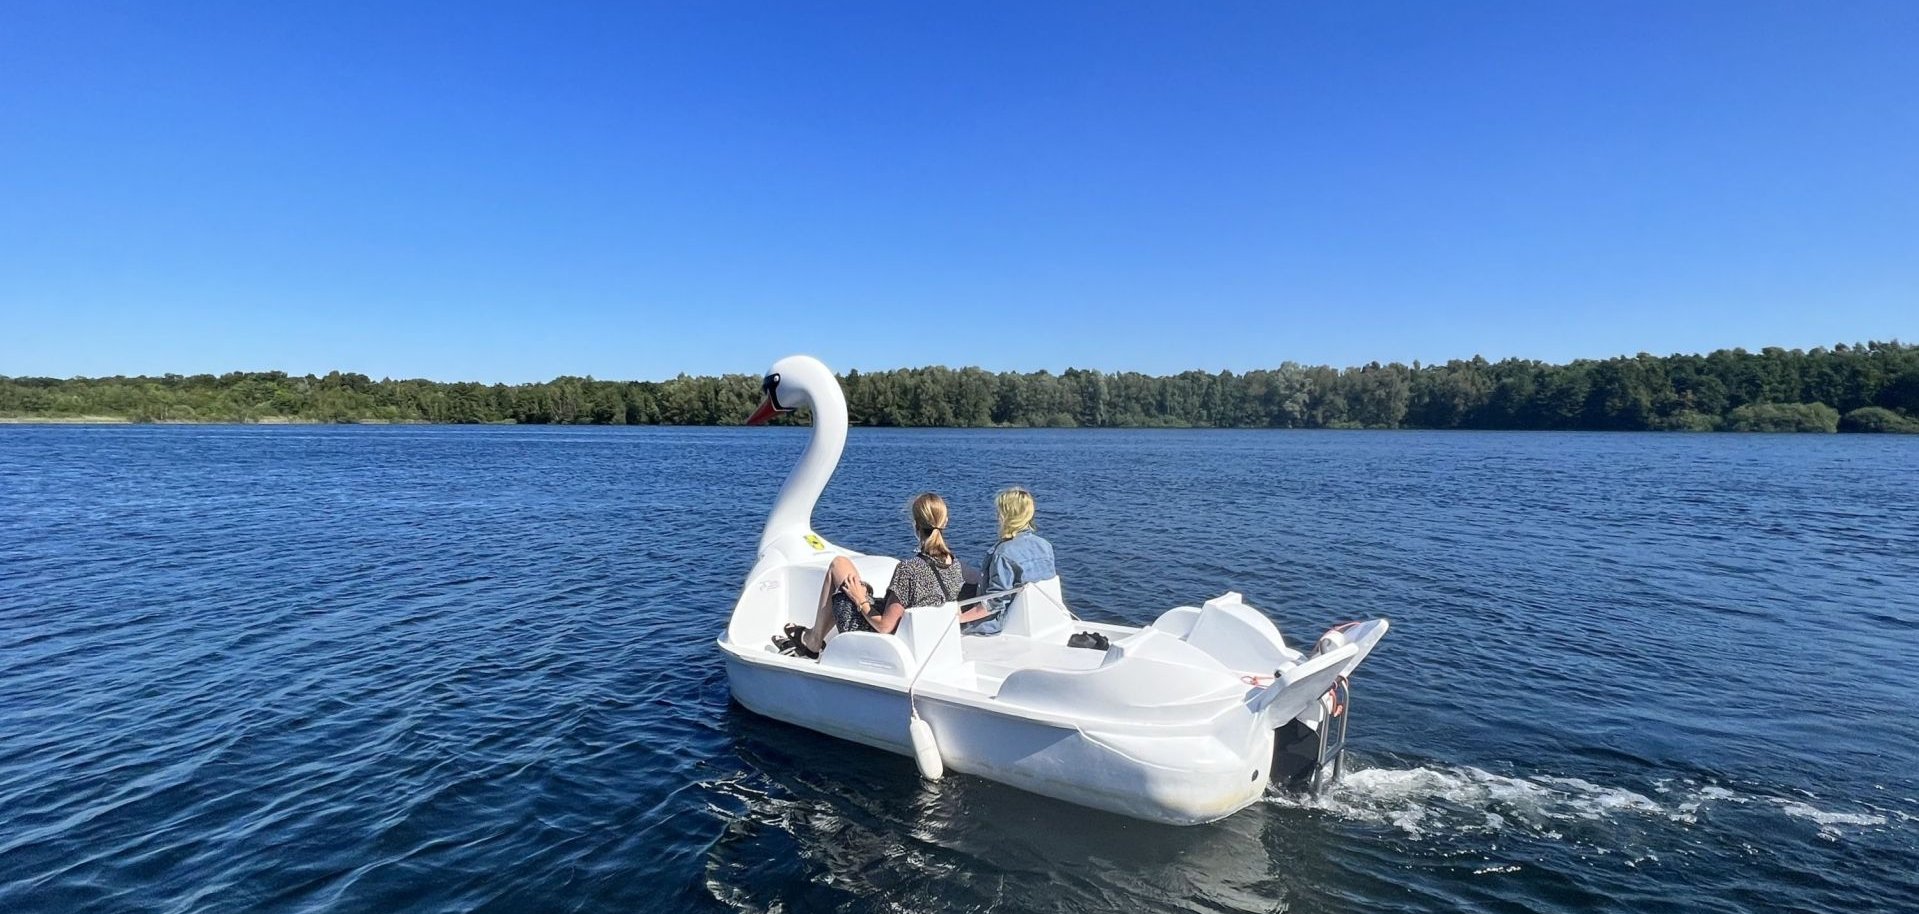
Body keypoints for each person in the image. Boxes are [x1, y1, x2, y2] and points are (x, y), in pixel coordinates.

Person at [779, 492, 969, 658]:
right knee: (857, 582)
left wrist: (860, 599)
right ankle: (814, 637)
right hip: (924, 641)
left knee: (839, 565)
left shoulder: (910, 569)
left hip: (883, 642)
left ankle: (812, 641)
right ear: (945, 522)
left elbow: (885, 627)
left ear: (916, 525)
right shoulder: (955, 566)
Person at [961, 486, 1057, 635]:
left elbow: (994, 602)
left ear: (1006, 515)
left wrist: (958, 618)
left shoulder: (1003, 553)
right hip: (1041, 620)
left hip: (995, 626)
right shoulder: (1045, 546)